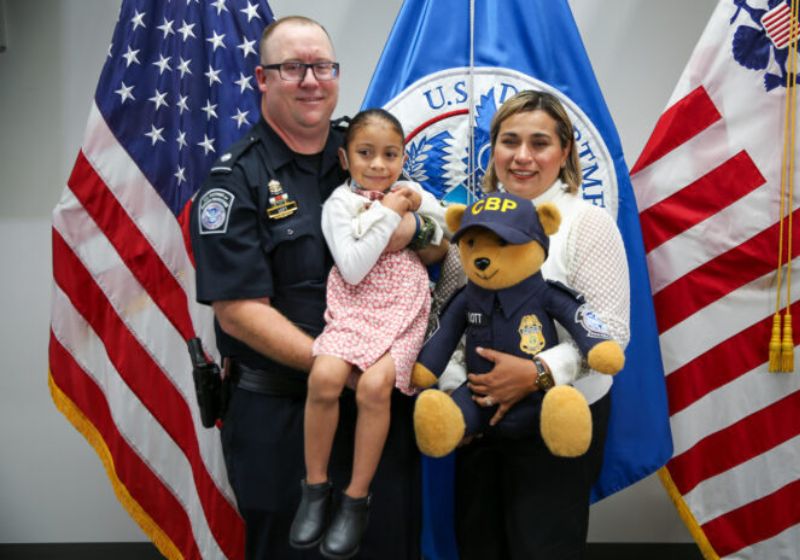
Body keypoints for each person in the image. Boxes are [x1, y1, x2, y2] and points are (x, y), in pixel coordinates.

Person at [190, 17, 421, 560]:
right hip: (282, 418)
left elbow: (431, 239)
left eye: (323, 66)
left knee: (389, 544)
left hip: (375, 409)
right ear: (262, 79)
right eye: (293, 68)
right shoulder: (234, 181)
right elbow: (239, 312)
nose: (311, 80)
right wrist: (336, 365)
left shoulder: (364, 148)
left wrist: (415, 225)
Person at [453, 90, 630, 559]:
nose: (523, 157)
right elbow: (446, 316)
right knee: (479, 545)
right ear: (492, 149)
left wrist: (535, 374)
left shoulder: (586, 223)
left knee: (542, 548)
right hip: (481, 416)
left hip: (558, 422)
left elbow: (611, 330)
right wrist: (459, 392)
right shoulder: (476, 219)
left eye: (540, 142)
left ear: (565, 151)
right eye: (510, 141)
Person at [290, 108, 446, 559]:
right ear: (345, 158)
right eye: (365, 153)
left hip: (404, 308)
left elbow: (441, 236)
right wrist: (391, 215)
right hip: (355, 305)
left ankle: (356, 499)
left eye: (390, 154)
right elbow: (354, 267)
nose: (378, 165)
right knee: (323, 377)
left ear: (403, 157)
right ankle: (316, 488)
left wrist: (414, 220)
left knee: (376, 389)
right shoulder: (339, 205)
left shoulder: (413, 192)